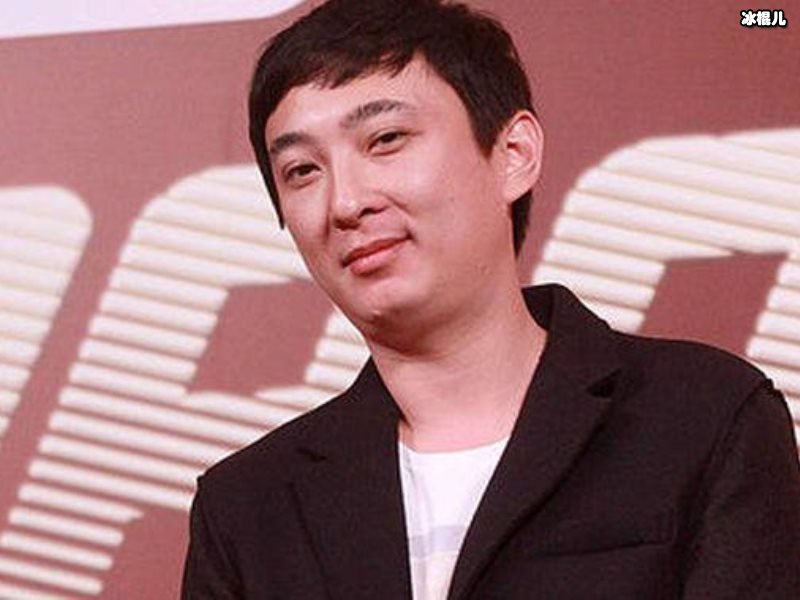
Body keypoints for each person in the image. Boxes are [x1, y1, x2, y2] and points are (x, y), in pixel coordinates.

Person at [182, 0, 800, 598]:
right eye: (302, 171)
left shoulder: (705, 418)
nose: (345, 202)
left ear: (514, 154)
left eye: (386, 139)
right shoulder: (246, 509)